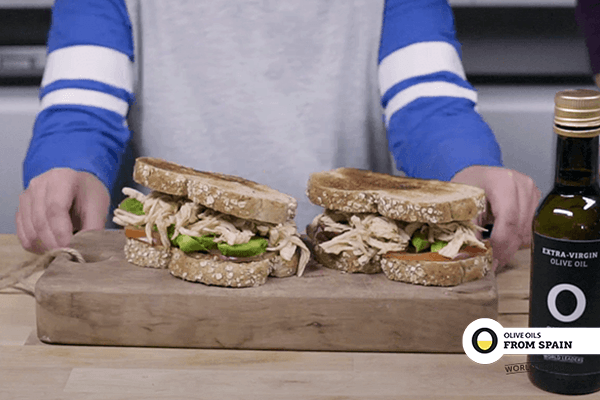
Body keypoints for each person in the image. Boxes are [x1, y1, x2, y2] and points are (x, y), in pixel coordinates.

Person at [17, 0, 540, 270]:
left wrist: (467, 169)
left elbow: (429, 106)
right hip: (162, 273)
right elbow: (80, 109)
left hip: (340, 267)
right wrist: (67, 167)